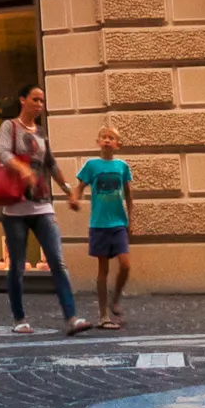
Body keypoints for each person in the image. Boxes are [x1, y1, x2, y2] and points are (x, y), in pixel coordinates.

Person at [0, 85, 81, 336]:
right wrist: (23, 169)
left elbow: (50, 163)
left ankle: (71, 317)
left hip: (42, 205)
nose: (40, 105)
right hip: (15, 208)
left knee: (57, 262)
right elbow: (0, 152)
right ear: (23, 100)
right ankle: (19, 319)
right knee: (18, 265)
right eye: (35, 99)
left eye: (42, 100)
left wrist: (68, 189)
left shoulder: (41, 132)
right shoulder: (10, 127)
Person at [76, 124, 135, 331]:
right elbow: (80, 185)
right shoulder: (91, 165)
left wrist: (131, 220)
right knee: (103, 270)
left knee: (125, 265)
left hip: (118, 223)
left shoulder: (122, 166)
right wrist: (75, 197)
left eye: (111, 137)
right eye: (104, 137)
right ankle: (103, 315)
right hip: (99, 224)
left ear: (117, 144)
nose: (107, 140)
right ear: (98, 142)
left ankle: (115, 299)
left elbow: (128, 194)